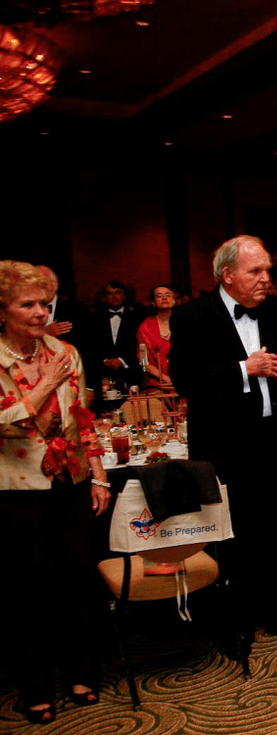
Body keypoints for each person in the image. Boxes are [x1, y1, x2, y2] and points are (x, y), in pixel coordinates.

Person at [169, 236, 277, 644]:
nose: (265, 278)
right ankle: (235, 620)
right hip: (225, 443)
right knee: (234, 532)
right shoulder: (192, 316)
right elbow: (185, 379)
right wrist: (244, 369)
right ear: (227, 275)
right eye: (255, 271)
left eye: (267, 270)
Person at [0, 261, 111, 725]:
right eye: (27, 304)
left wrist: (99, 475)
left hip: (71, 480)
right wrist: (45, 385)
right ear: (2, 310)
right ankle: (36, 687)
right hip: (18, 488)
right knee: (30, 588)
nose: (40, 312)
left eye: (45, 304)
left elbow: (82, 416)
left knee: (77, 579)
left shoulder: (65, 351)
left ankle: (82, 673)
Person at [93, 280, 143, 407]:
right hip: (103, 372)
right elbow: (91, 343)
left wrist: (122, 360)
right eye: (110, 293)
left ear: (124, 296)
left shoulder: (138, 315)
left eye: (118, 293)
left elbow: (139, 344)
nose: (114, 296)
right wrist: (104, 360)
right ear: (105, 297)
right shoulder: (95, 316)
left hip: (131, 370)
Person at [136, 284, 176, 390]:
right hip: (157, 383)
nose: (164, 298)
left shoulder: (185, 322)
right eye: (159, 295)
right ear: (153, 302)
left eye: (168, 295)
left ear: (174, 300)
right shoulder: (146, 326)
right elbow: (144, 361)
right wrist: (166, 379)